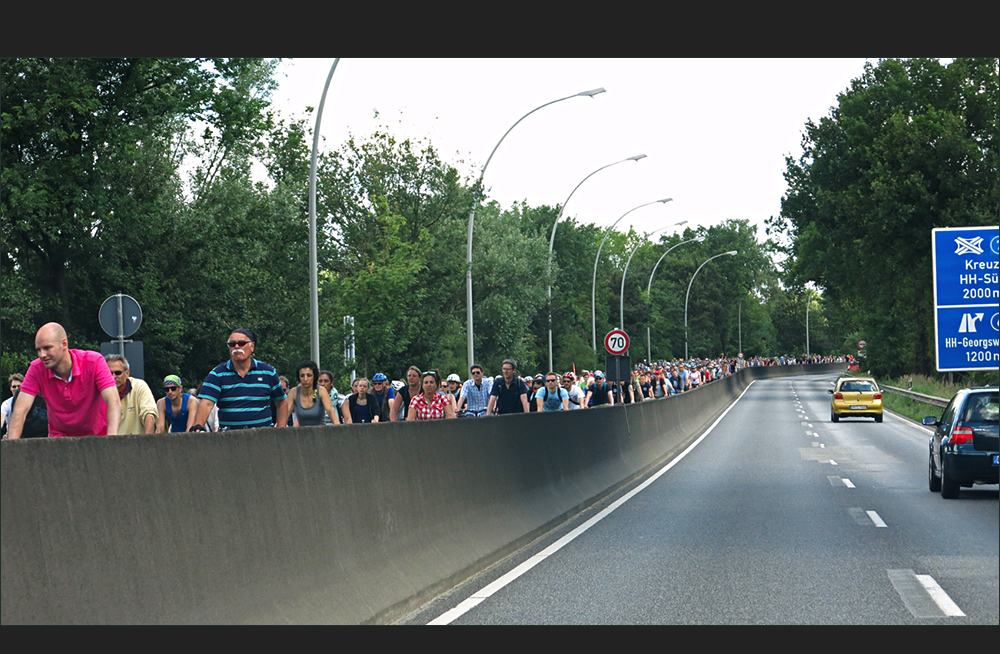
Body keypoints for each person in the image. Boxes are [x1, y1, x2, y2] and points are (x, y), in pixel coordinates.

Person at [7, 322, 121, 438]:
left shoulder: (94, 361)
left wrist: (111, 439)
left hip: (97, 437)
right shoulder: (36, 369)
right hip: (59, 441)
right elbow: (20, 410)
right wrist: (11, 449)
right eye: (38, 350)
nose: (42, 355)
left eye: (47, 348)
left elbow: (113, 401)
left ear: (64, 344)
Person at [191, 328, 288, 431]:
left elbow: (282, 402)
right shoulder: (217, 374)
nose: (236, 347)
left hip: (262, 437)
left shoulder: (268, 372)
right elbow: (206, 403)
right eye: (232, 344)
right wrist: (198, 428)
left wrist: (280, 431)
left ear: (252, 346)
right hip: (229, 437)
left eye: (241, 343)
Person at [106, 354, 158, 435]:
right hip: (108, 444)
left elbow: (149, 413)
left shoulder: (139, 386)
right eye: (109, 373)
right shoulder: (100, 392)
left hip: (136, 443)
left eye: (118, 373)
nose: (113, 377)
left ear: (127, 373)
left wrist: (148, 440)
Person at [286, 360, 339, 427]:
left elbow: (331, 412)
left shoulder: (321, 391)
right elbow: (285, 414)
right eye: (302, 376)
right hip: (301, 434)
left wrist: (338, 430)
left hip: (320, 433)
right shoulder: (293, 392)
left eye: (309, 375)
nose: (305, 379)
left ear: (314, 376)